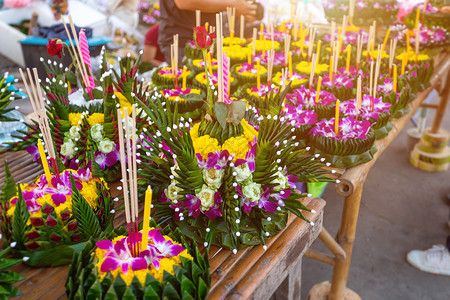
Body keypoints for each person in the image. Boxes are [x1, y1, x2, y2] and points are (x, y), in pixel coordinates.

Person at [158, 0, 258, 63]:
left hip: (211, 38)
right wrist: (231, 4)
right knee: (188, 92)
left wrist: (245, 7)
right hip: (183, 41)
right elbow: (184, 2)